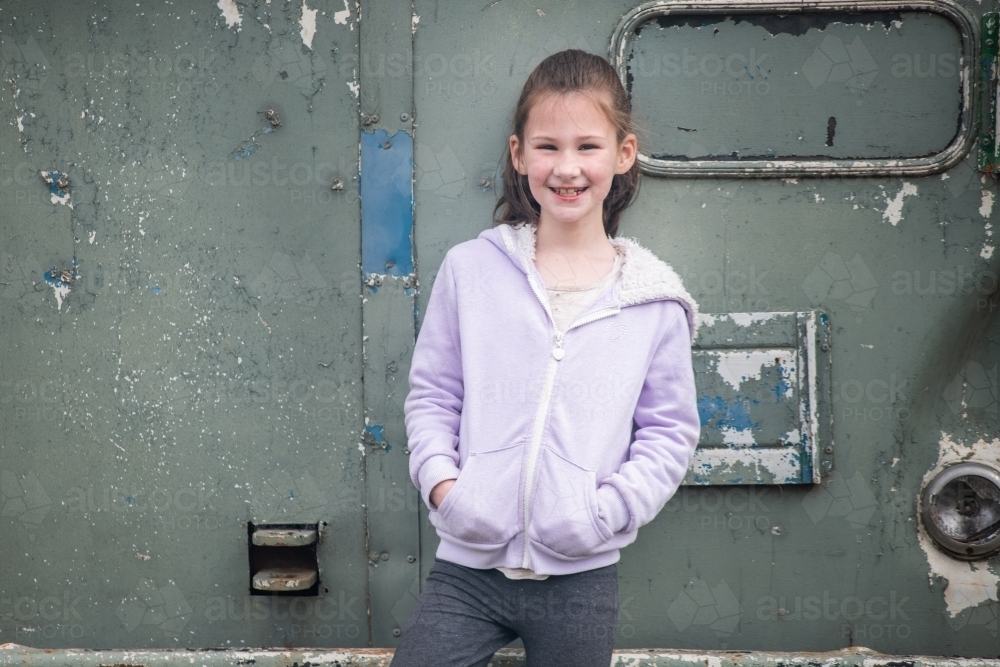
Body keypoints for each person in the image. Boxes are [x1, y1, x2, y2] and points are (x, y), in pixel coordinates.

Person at [391, 49, 701, 667]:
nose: (567, 168)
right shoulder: (472, 270)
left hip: (581, 580)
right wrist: (446, 489)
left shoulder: (653, 300)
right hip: (467, 573)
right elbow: (433, 395)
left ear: (624, 154)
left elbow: (669, 435)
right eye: (547, 147)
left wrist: (602, 515)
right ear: (518, 155)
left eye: (588, 146)